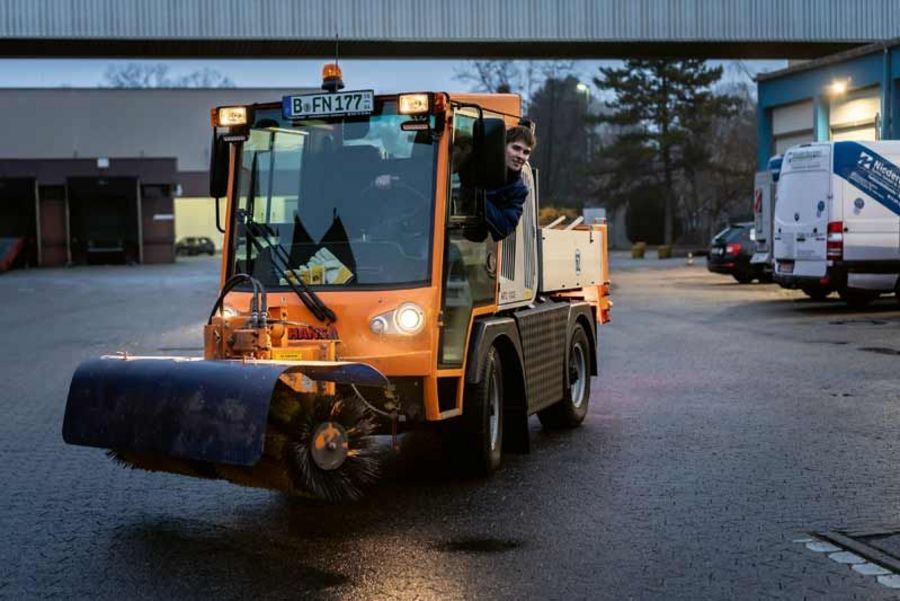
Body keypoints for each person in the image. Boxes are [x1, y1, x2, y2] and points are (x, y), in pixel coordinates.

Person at [483, 125, 535, 241]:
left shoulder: (518, 190)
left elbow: (504, 228)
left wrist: (479, 198)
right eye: (516, 148)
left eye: (526, 152)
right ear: (502, 146)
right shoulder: (479, 167)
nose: (520, 156)